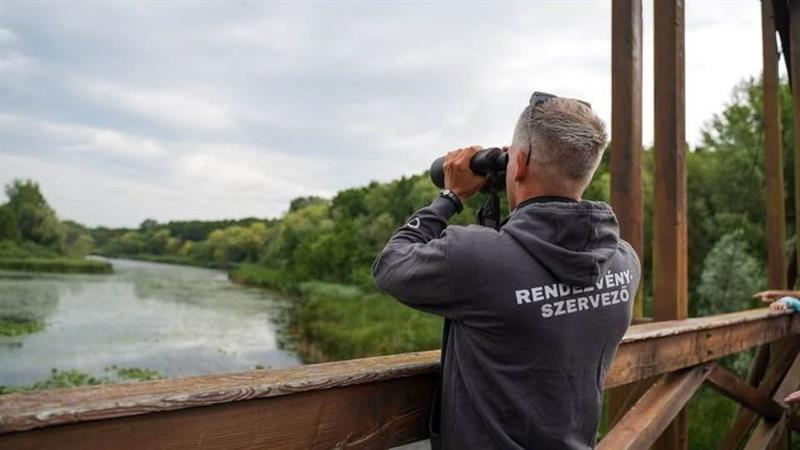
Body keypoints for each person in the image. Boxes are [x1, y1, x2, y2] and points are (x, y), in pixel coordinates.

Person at [372, 93, 640, 450]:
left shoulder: (476, 259)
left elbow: (390, 264)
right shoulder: (624, 262)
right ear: (586, 170)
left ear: (521, 164)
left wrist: (450, 197)